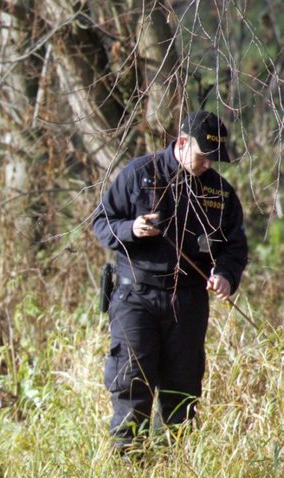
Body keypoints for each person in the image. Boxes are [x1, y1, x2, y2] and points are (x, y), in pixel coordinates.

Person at [92, 110, 248, 455]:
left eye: (214, 158)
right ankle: (128, 462)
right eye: (203, 156)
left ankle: (174, 466)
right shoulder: (139, 174)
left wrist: (225, 275)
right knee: (132, 380)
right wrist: (129, 230)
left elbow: (235, 247)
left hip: (189, 301)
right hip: (137, 296)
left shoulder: (220, 192)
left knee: (183, 388)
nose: (209, 164)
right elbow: (102, 221)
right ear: (181, 143)